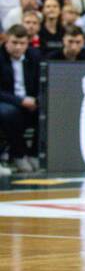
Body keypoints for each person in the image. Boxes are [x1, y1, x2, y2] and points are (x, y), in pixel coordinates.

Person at [0, 25, 41, 173]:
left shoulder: (34, 56)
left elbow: (43, 83)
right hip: (8, 100)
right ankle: (19, 154)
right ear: (6, 41)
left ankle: (34, 153)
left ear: (27, 44)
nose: (18, 47)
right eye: (14, 43)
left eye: (22, 43)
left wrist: (36, 100)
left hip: (30, 100)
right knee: (8, 113)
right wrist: (20, 101)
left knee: (47, 109)